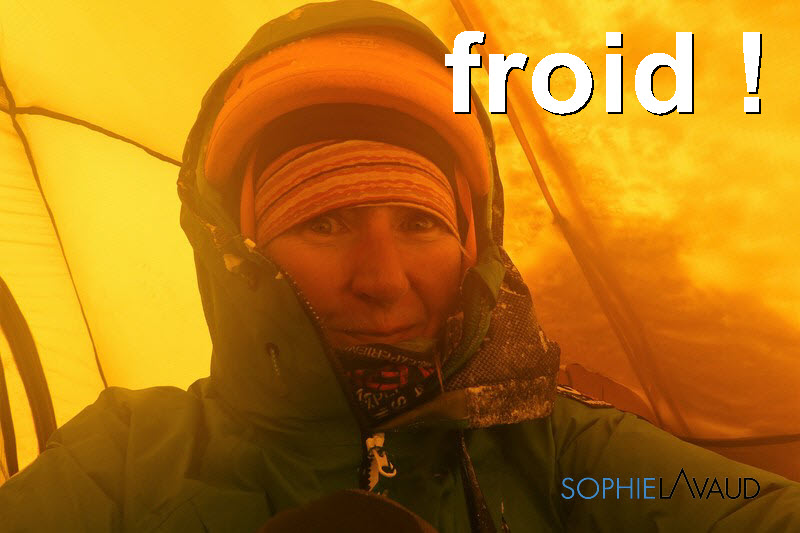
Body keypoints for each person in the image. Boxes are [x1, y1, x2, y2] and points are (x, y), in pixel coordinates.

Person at [1, 1, 798, 531]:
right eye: (325, 221)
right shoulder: (129, 459)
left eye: (420, 222)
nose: (383, 279)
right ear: (239, 250)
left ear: (472, 248)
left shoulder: (561, 449)